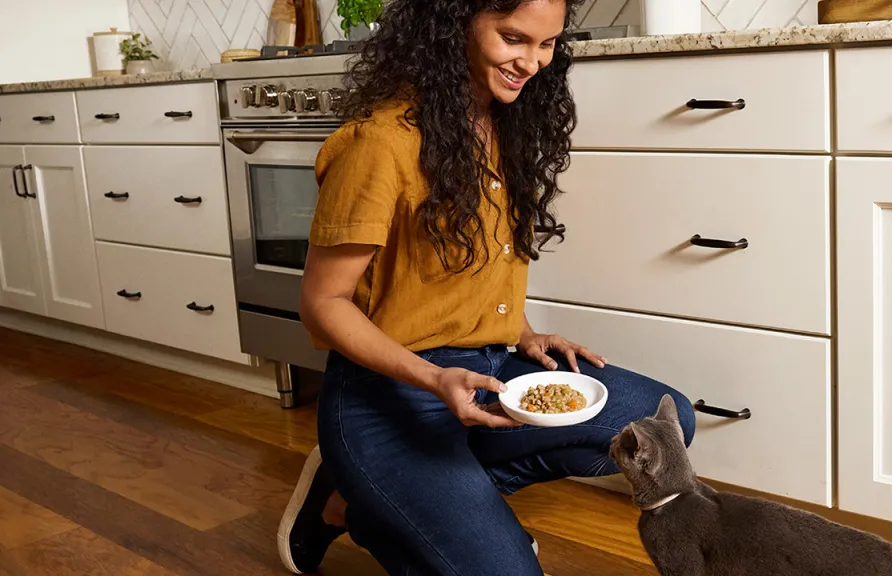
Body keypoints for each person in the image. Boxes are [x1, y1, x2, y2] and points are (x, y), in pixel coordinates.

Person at [273, 0, 698, 574]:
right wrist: (432, 376)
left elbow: (467, 268)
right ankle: (373, 493)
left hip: (490, 371)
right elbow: (322, 305)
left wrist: (522, 333)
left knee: (662, 423)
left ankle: (376, 503)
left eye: (546, 44)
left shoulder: (503, 120)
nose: (531, 62)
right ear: (453, 23)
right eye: (513, 38)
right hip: (388, 394)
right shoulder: (380, 143)